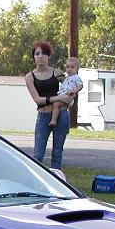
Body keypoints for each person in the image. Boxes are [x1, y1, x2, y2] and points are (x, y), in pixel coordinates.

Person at [24, 41, 73, 169]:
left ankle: (55, 178)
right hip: (43, 116)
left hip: (61, 115)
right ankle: (36, 179)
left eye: (44, 53)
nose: (40, 56)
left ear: (48, 56)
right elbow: (37, 100)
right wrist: (58, 98)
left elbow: (71, 87)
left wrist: (69, 99)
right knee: (38, 154)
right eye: (37, 54)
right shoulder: (30, 77)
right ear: (33, 56)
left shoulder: (57, 73)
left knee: (57, 153)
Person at [49, 57, 83, 127]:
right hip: (62, 95)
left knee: (56, 104)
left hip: (68, 95)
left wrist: (74, 91)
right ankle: (57, 118)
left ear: (77, 69)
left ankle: (53, 120)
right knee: (56, 105)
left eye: (72, 67)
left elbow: (80, 85)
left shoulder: (76, 77)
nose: (69, 69)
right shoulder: (66, 77)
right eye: (67, 67)